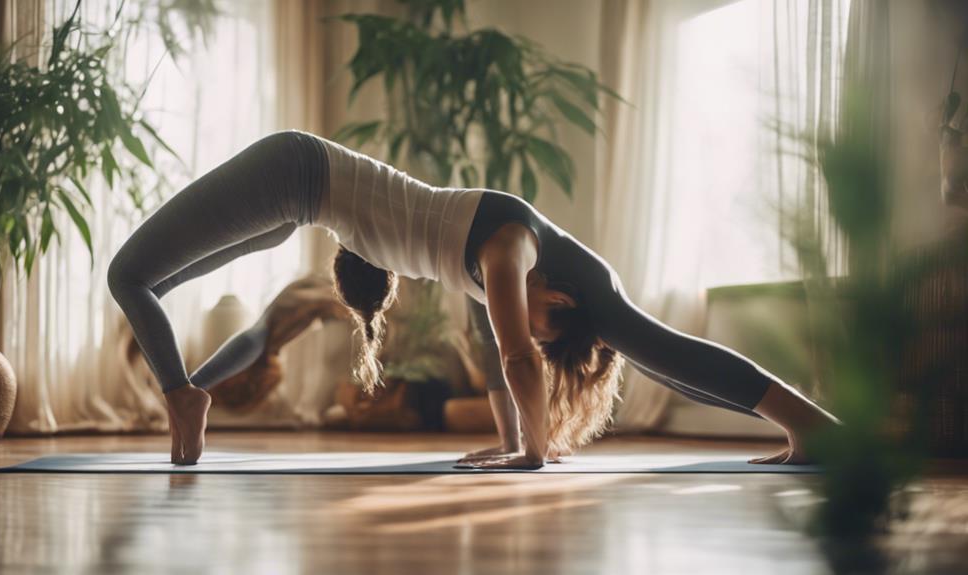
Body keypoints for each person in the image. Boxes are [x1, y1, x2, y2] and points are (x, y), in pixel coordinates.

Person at [107, 130, 839, 466]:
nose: (534, 322)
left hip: (300, 202)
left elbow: (640, 354)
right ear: (562, 288)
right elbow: (519, 356)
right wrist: (532, 451)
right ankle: (184, 395)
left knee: (153, 281)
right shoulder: (511, 243)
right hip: (293, 164)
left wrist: (520, 444)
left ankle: (809, 426)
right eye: (554, 318)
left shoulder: (498, 275)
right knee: (131, 274)